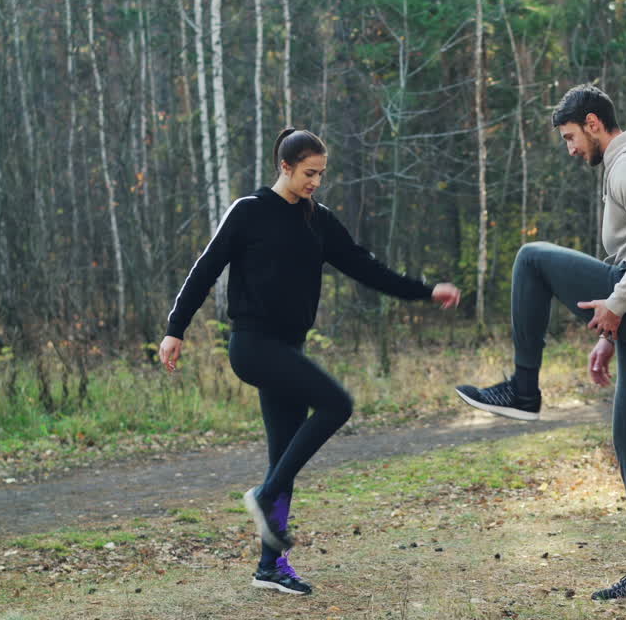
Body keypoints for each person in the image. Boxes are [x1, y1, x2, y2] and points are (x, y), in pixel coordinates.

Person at [158, 128, 461, 596]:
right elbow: (206, 267)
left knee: (285, 456)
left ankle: (269, 565)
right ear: (285, 166)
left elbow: (366, 267)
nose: (315, 182)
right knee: (337, 403)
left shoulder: (319, 221)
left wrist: (425, 290)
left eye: (321, 174)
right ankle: (262, 498)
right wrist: (175, 328)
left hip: (289, 348)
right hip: (254, 346)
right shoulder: (250, 211)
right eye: (308, 173)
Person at [455, 84, 626, 605]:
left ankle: (524, 389)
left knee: (531, 257)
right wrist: (613, 331)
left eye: (569, 137)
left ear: (593, 123)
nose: (569, 149)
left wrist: (616, 306)